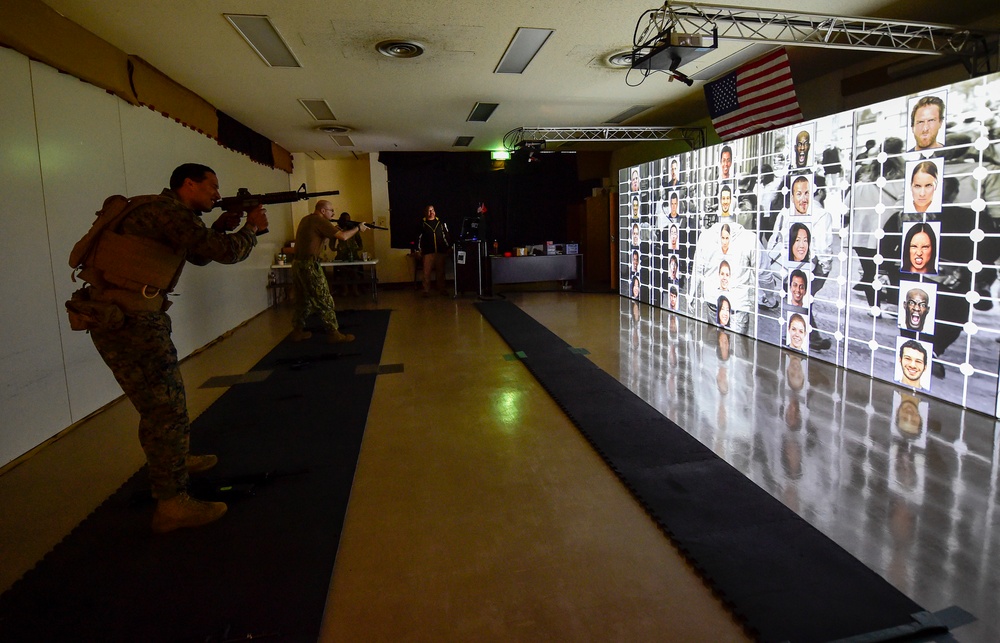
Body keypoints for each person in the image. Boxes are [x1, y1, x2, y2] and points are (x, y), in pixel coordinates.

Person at [84, 163, 268, 533]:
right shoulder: (167, 212)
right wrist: (252, 227)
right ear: (189, 184)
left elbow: (197, 252)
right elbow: (225, 253)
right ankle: (172, 504)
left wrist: (219, 226)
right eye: (212, 187)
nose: (217, 195)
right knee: (166, 410)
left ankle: (176, 461)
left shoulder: (161, 211)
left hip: (122, 316)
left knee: (160, 406)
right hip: (132, 321)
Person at [291, 200, 366, 340]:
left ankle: (297, 331)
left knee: (303, 300)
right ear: (323, 211)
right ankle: (333, 333)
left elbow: (317, 239)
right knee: (324, 298)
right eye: (331, 210)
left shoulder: (307, 219)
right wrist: (358, 228)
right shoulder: (319, 220)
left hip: (297, 264)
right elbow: (343, 237)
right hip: (309, 265)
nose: (333, 213)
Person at [416, 204, 452, 295]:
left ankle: (441, 289)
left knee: (441, 272)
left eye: (432, 210)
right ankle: (426, 290)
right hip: (428, 252)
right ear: (425, 212)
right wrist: (418, 250)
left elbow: (446, 236)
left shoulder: (441, 223)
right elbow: (418, 238)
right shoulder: (422, 224)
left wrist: (449, 247)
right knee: (426, 272)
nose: (431, 212)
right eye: (429, 210)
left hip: (440, 251)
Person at [334, 212, 364, 296]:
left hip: (353, 253)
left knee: (354, 272)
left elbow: (360, 242)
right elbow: (332, 243)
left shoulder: (354, 229)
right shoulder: (337, 229)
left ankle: (355, 289)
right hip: (342, 254)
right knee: (343, 273)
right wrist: (338, 248)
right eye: (345, 219)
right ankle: (345, 290)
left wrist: (357, 248)